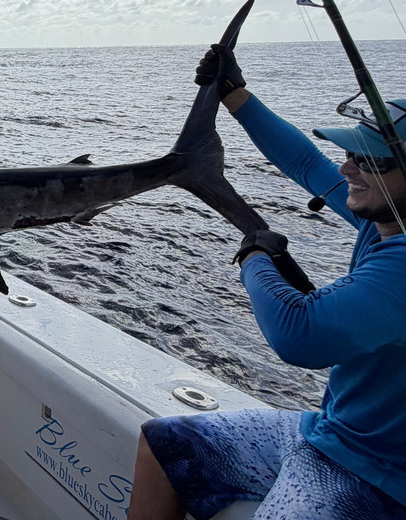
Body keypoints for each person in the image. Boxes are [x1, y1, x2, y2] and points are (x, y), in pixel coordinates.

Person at [128, 43, 406, 520]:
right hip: (330, 432)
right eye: (351, 153)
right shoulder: (385, 217)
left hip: (378, 475)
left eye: (372, 161)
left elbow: (299, 334)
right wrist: (235, 95)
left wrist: (254, 255)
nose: (347, 169)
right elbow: (306, 164)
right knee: (163, 443)